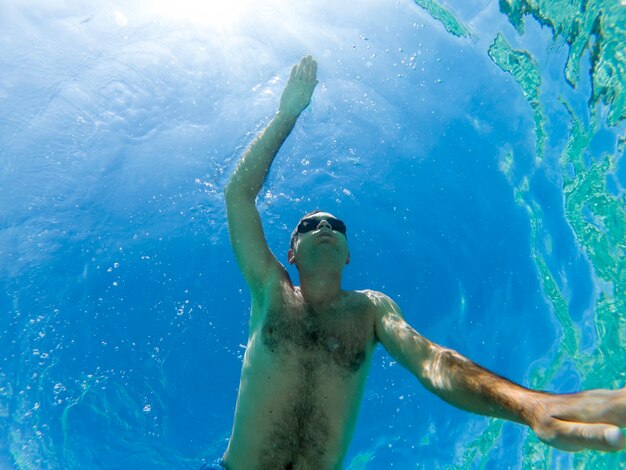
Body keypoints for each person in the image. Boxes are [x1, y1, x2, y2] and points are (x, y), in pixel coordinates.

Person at [220, 56, 625, 469]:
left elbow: (434, 363)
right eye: (308, 224)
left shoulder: (371, 309)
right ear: (291, 252)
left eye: (335, 224)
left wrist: (529, 406)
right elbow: (238, 196)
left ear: (346, 253)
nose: (323, 224)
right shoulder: (272, 289)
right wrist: (288, 114)